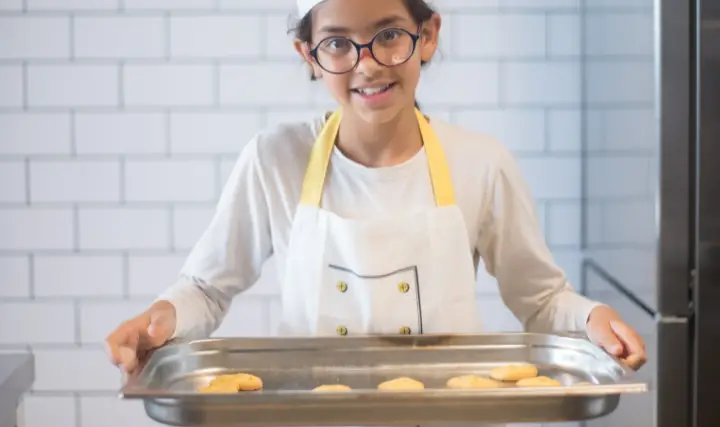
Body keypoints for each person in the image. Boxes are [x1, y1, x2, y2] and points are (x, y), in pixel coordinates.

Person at [105, 0, 647, 376]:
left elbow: (542, 299)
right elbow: (205, 287)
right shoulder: (275, 161)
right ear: (309, 56)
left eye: (388, 35)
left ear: (428, 36)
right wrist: (158, 321)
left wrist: (592, 319)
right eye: (338, 43)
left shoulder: (480, 163)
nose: (366, 64)